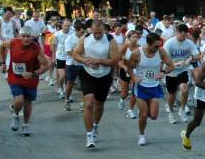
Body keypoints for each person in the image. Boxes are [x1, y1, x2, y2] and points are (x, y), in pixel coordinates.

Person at [71, 20, 121, 148]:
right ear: (91, 30)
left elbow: (115, 61)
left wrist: (99, 60)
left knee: (99, 105)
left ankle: (95, 126)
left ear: (104, 30)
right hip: (88, 74)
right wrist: (85, 61)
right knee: (88, 103)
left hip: (104, 76)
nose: (97, 35)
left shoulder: (110, 40)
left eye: (100, 33)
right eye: (95, 33)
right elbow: (75, 53)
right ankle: (89, 136)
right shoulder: (85, 38)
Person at [0, 26, 50, 136]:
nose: (26, 39)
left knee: (28, 102)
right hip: (15, 76)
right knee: (19, 99)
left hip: (30, 79)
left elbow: (46, 65)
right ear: (19, 36)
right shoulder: (13, 43)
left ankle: (26, 125)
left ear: (32, 37)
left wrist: (33, 74)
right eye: (23, 36)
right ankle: (16, 116)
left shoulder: (36, 48)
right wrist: (2, 63)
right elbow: (1, 46)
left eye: (28, 36)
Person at [125, 32, 175, 146]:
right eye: (155, 46)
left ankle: (143, 112)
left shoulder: (161, 52)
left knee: (153, 116)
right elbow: (128, 68)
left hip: (154, 87)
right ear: (148, 43)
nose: (158, 48)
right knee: (143, 115)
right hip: (141, 87)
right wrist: (134, 77)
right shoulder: (137, 53)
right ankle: (141, 135)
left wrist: (163, 72)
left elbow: (171, 65)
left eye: (159, 46)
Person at [163, 23, 200, 124]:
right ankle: (170, 112)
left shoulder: (189, 43)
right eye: (182, 35)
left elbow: (197, 56)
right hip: (170, 71)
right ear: (177, 33)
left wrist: (191, 58)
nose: (184, 37)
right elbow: (163, 58)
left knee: (184, 89)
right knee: (172, 95)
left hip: (183, 70)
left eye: (186, 35)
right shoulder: (169, 43)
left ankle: (182, 110)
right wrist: (174, 64)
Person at [63, 21, 85, 111]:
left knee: (84, 84)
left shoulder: (86, 38)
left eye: (84, 32)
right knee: (70, 83)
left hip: (83, 64)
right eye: (81, 32)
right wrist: (80, 55)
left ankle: (83, 103)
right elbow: (69, 52)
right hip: (72, 64)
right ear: (76, 31)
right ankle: (67, 100)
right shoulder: (70, 39)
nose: (83, 34)